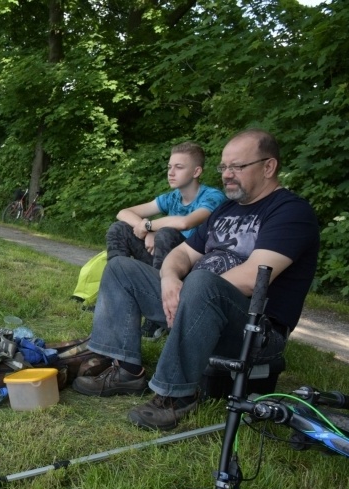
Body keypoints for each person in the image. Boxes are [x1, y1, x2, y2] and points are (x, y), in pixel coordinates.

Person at [72, 129, 319, 431]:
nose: (227, 175)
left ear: (269, 167)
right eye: (224, 167)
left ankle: (176, 396)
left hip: (255, 330)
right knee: (122, 268)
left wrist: (191, 292)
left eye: (237, 167)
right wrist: (169, 279)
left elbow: (254, 277)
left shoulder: (291, 211)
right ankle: (126, 369)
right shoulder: (226, 209)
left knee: (201, 281)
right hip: (197, 302)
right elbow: (182, 254)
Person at [106, 142, 226, 339]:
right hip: (161, 257)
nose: (171, 172)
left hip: (191, 265)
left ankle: (159, 315)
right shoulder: (171, 198)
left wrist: (150, 226)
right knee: (119, 229)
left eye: (179, 167)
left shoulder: (212, 196)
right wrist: (148, 230)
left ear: (196, 171)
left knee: (166, 233)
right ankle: (116, 294)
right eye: (170, 167)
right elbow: (123, 213)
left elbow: (186, 222)